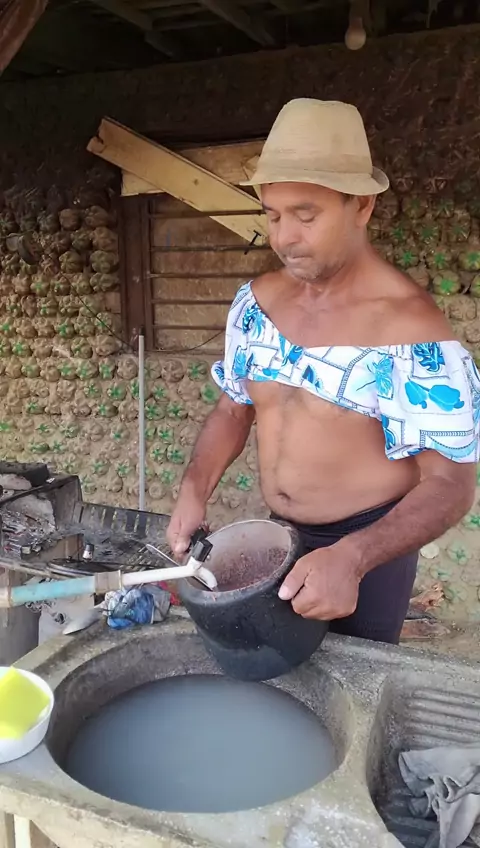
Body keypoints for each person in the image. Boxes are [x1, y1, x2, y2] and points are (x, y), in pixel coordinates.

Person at [167, 98, 480, 644]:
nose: (284, 237)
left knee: (348, 685)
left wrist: (354, 558)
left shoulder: (410, 333)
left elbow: (451, 484)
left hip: (370, 550)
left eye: (306, 215)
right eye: (273, 215)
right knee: (270, 676)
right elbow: (233, 408)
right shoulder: (256, 305)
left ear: (362, 205)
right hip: (279, 536)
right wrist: (194, 490)